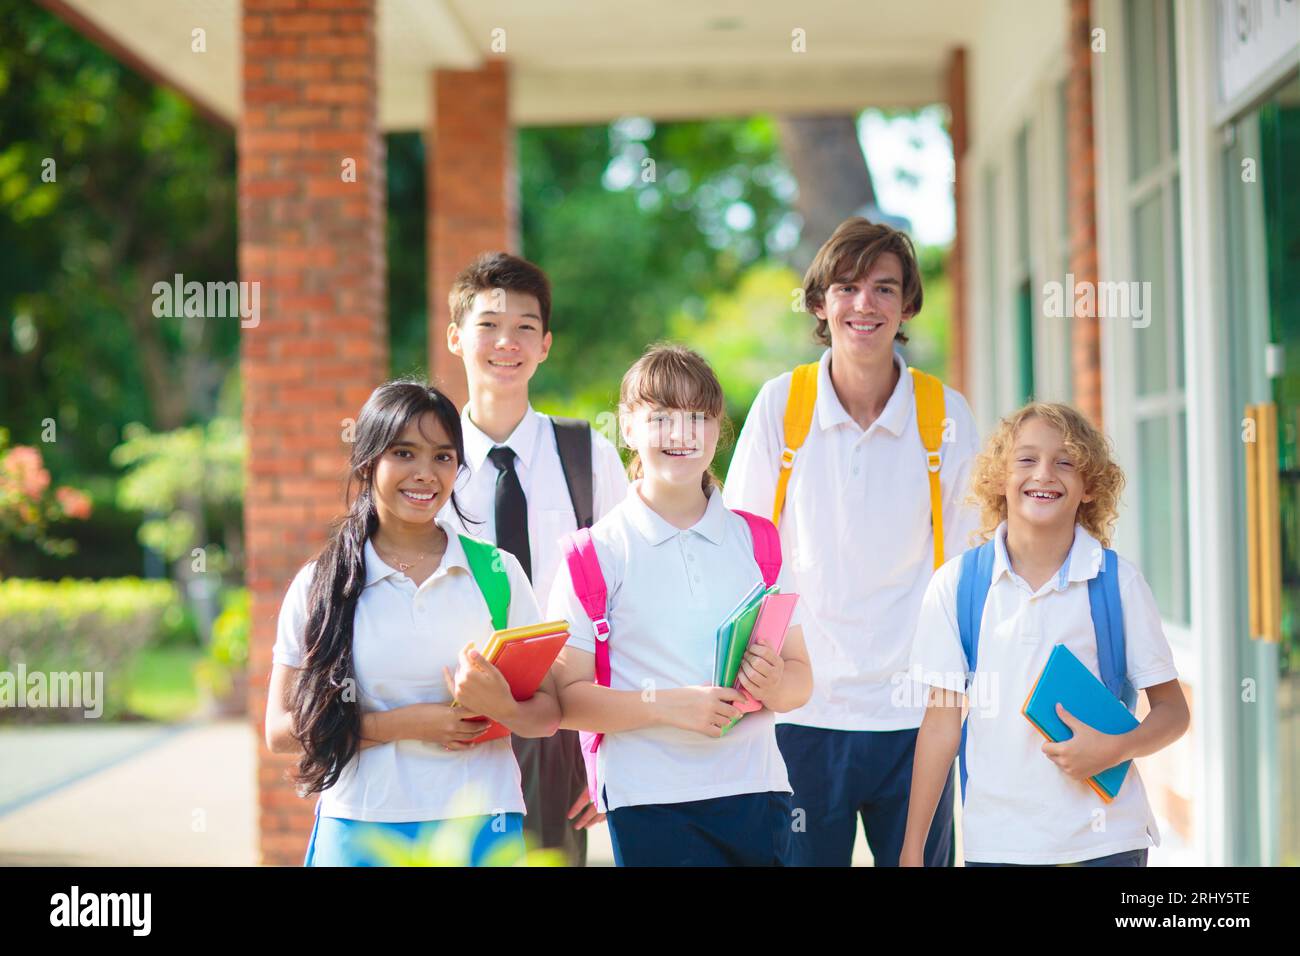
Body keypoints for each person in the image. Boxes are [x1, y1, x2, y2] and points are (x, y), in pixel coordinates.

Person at [723, 217, 980, 866]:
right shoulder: (783, 406)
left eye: (884, 289)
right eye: (847, 287)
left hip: (916, 716)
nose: (865, 304)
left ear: (907, 305)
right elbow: (737, 552)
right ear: (820, 302)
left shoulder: (944, 416)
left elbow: (977, 565)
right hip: (802, 712)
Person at [264, 380, 560, 867]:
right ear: (367, 462)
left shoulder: (498, 573)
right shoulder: (321, 583)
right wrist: (398, 725)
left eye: (443, 457)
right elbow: (280, 730)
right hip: (361, 825)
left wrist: (503, 705)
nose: (425, 474)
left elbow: (549, 715)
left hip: (482, 824)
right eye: (404, 453)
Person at [549, 344, 813, 866]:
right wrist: (669, 706)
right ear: (627, 427)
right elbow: (567, 699)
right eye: (662, 417)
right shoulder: (595, 552)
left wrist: (774, 682)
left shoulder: (758, 542)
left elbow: (801, 680)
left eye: (699, 417)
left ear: (719, 430)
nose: (682, 434)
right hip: (648, 801)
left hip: (757, 793)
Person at [901, 402, 1190, 866]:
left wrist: (1115, 748)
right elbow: (940, 726)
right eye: (1026, 459)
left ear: (1089, 486)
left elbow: (1173, 711)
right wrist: (913, 847)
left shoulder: (1117, 583)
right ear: (999, 477)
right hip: (996, 845)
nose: (1044, 474)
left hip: (1105, 843)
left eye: (1065, 462)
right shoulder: (957, 586)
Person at [442, 251, 629, 866]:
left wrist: (607, 745)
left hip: (559, 721)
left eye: (525, 327)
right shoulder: (425, 462)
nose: (507, 342)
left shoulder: (585, 454)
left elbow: (628, 593)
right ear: (456, 337)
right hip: (456, 716)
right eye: (489, 324)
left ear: (545, 344)